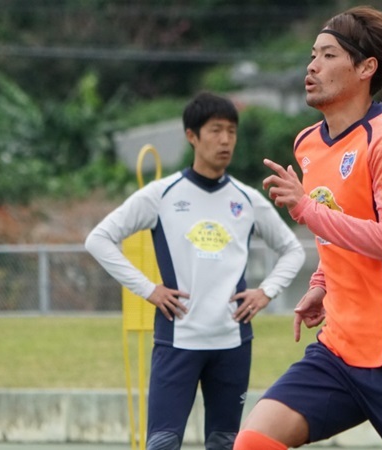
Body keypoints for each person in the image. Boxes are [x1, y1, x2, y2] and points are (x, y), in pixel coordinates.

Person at [234, 6, 382, 450]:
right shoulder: (307, 143)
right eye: (312, 55)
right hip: (338, 351)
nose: (312, 66)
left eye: (328, 55)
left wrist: (305, 209)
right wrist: (322, 282)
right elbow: (340, 222)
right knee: (254, 441)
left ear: (365, 68)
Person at [85, 91, 306, 450]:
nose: (225, 140)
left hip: (232, 343)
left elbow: (292, 249)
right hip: (177, 342)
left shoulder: (247, 199)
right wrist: (148, 289)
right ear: (192, 136)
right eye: (216, 130)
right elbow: (98, 239)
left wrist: (266, 292)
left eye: (231, 131)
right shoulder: (161, 194)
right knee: (162, 443)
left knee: (224, 443)